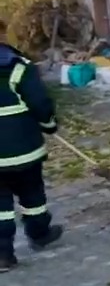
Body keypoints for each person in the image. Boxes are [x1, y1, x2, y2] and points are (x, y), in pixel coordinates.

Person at [0, 43, 64, 272]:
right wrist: (49, 125)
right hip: (23, 148)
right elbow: (39, 102)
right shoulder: (19, 67)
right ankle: (39, 234)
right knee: (32, 194)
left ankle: (3, 255)